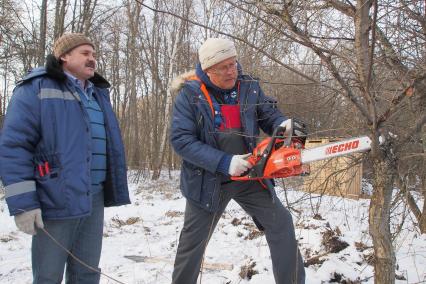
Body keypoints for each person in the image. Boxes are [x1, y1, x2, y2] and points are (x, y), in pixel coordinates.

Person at [170, 38, 307, 284]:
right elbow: (182, 141)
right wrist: (224, 162)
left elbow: (268, 114)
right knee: (192, 244)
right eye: (223, 67)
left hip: (249, 174)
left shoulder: (248, 86)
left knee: (281, 224)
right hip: (207, 181)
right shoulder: (190, 95)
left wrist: (282, 125)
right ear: (207, 69)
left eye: (233, 63)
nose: (232, 70)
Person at [0, 33, 130, 284]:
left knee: (87, 273)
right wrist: (24, 203)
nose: (92, 59)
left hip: (94, 198)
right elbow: (14, 147)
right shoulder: (36, 87)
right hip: (55, 199)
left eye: (94, 54)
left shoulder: (98, 94)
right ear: (64, 56)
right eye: (85, 53)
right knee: (48, 276)